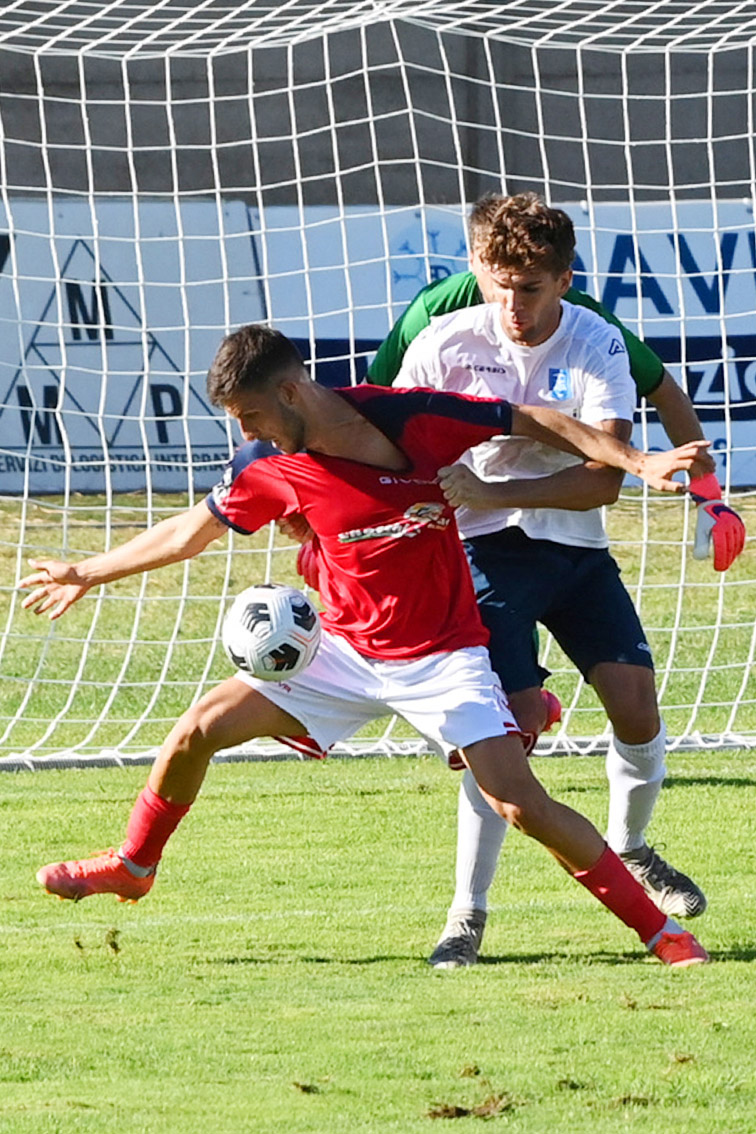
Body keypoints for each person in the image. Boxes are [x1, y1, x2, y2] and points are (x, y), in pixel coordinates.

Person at [20, 323, 709, 969]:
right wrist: (86, 571)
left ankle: (661, 931)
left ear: (291, 392)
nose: (245, 432)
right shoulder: (266, 464)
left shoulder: (409, 417)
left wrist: (635, 458)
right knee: (196, 729)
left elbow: (535, 419)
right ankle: (134, 867)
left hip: (444, 655)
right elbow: (186, 534)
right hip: (341, 653)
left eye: (250, 416)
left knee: (519, 802)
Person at [381, 192, 738, 969]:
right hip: (480, 555)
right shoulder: (441, 341)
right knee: (502, 737)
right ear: (477, 268)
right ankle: (465, 917)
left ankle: (632, 844)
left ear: (565, 278)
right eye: (499, 282)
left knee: (638, 709)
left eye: (532, 287)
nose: (513, 303)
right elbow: (396, 443)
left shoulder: (595, 339)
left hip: (575, 550)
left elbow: (602, 479)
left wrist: (498, 491)